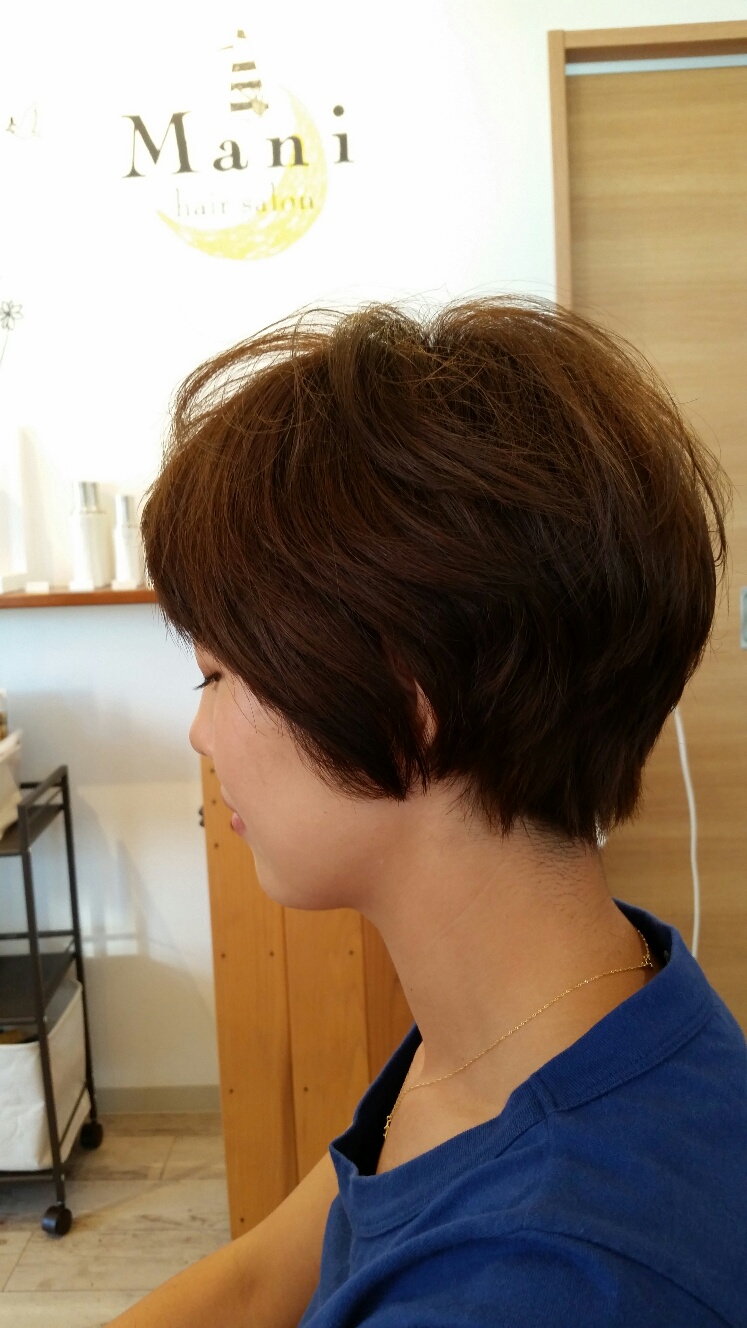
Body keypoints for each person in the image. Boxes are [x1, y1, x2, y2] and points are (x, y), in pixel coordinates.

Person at [110, 297, 746, 1328]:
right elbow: (261, 1277)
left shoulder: (548, 1281)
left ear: (409, 700)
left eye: (217, 676)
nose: (200, 735)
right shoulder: (552, 1016)